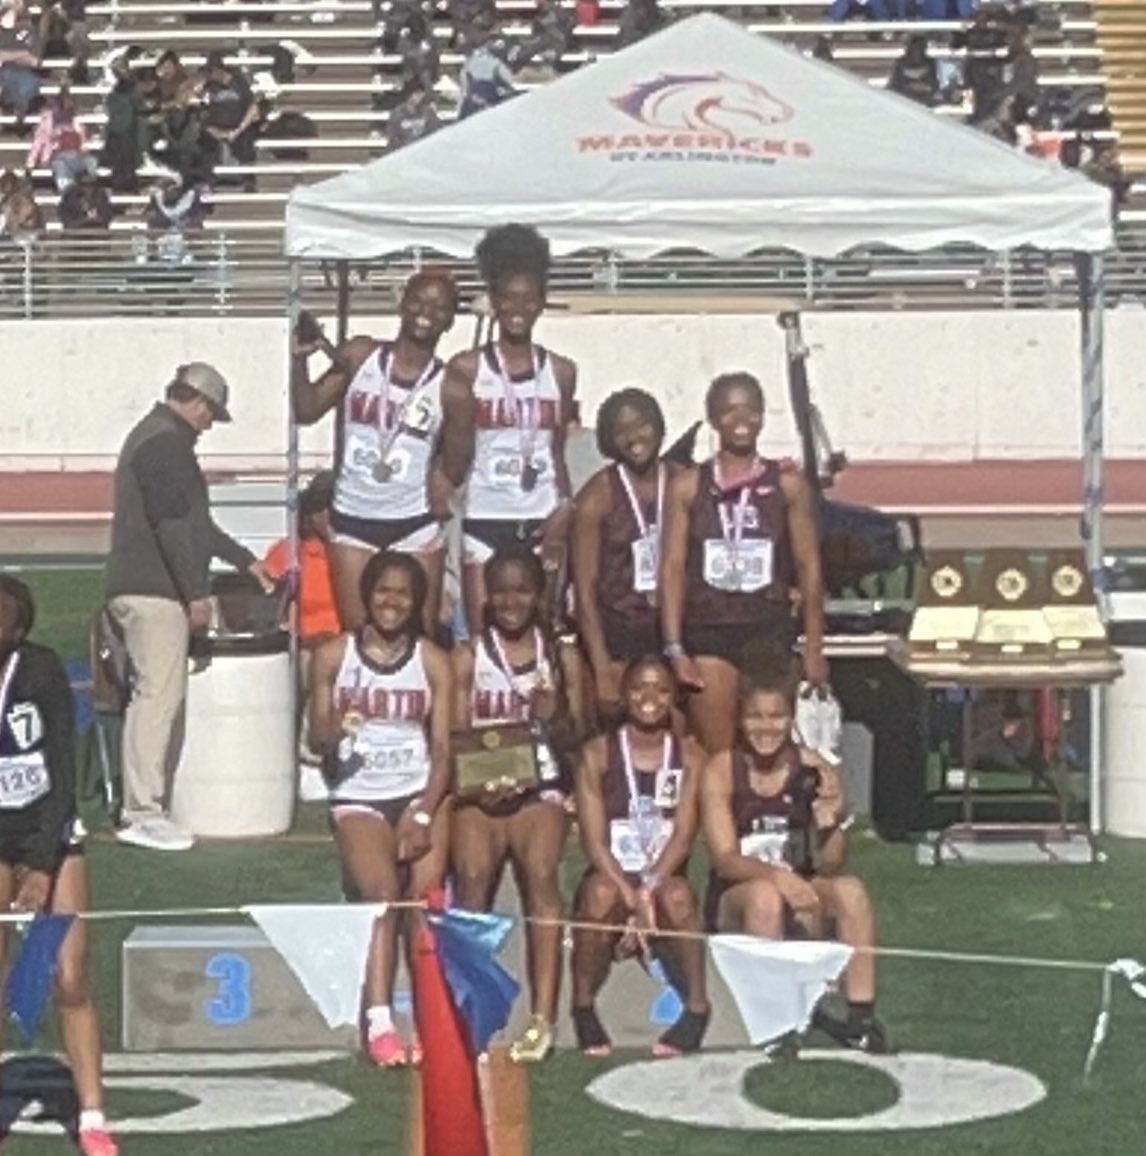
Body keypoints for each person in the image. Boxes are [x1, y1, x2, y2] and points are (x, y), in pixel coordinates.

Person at [105, 362, 273, 852]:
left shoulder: (157, 438)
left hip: (144, 585)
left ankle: (145, 802)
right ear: (200, 404)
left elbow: (196, 525)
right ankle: (141, 810)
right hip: (152, 589)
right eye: (212, 416)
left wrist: (246, 562)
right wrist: (195, 591)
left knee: (156, 694)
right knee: (157, 696)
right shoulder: (166, 445)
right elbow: (175, 526)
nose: (209, 426)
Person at [308, 551, 453, 1067]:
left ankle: (437, 1016)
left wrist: (423, 812)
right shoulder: (333, 656)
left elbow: (443, 751)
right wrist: (337, 723)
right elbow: (316, 737)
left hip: (416, 792)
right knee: (382, 896)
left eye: (403, 594)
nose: (391, 602)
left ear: (416, 603)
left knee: (426, 902)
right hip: (359, 796)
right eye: (382, 591)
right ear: (366, 596)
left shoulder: (432, 660)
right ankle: (380, 1019)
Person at [700, 667, 889, 1053]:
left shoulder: (815, 767)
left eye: (776, 717)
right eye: (755, 716)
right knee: (765, 898)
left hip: (800, 885)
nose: (765, 728)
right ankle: (774, 1022)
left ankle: (860, 1016)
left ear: (791, 720)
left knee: (851, 891)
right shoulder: (722, 769)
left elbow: (831, 864)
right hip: (738, 896)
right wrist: (777, 878)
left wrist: (830, 824)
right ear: (739, 719)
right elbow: (724, 860)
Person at [450, 546, 583, 1062]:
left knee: (542, 875)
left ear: (539, 594)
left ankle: (542, 1018)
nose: (511, 600)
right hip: (478, 790)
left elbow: (580, 735)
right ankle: (471, 1008)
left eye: (522, 590)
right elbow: (454, 732)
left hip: (539, 786)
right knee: (473, 877)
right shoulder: (469, 655)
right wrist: (478, 786)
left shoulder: (561, 655)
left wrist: (554, 716)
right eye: (500, 589)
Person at [0, 575, 118, 1156]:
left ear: (17, 629)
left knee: (69, 979)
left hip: (51, 830)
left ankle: (92, 1115)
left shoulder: (40, 670)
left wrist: (43, 865)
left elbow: (62, 773)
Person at [291, 269, 466, 638]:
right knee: (359, 637)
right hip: (354, 515)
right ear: (402, 304)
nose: (426, 311)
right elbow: (307, 410)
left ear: (450, 320)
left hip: (414, 519)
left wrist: (443, 477)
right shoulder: (360, 355)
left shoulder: (451, 385)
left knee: (421, 636)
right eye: (418, 300)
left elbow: (462, 452)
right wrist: (299, 360)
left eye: (439, 307)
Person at [659, 372, 827, 755]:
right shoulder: (687, 485)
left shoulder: (787, 485)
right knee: (719, 749)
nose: (742, 420)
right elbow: (671, 568)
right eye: (730, 410)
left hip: (768, 628)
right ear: (713, 418)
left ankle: (767, 812)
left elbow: (809, 567)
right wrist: (674, 648)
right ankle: (723, 814)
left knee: (767, 744)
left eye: (752, 410)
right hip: (710, 628)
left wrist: (815, 646)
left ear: (763, 417)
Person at [572, 656, 710, 1058]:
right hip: (613, 869)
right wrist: (629, 897)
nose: (649, 699)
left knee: (679, 898)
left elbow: (684, 836)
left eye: (661, 690)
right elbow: (594, 842)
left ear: (673, 698)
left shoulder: (690, 756)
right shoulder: (598, 753)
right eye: (639, 689)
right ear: (624, 695)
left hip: (663, 872)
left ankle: (698, 1006)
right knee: (600, 896)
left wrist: (648, 890)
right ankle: (583, 1005)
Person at [444, 223, 578, 635]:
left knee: (540, 639)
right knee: (485, 642)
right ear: (494, 301)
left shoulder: (561, 370)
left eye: (529, 298)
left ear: (541, 303)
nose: (518, 308)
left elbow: (555, 451)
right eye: (508, 298)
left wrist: (565, 508)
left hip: (542, 520)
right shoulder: (466, 368)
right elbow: (453, 450)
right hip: (485, 518)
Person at [572, 388, 680, 723]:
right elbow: (584, 590)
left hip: (675, 632)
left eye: (642, 424)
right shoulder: (597, 496)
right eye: (621, 431)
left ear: (659, 426)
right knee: (620, 734)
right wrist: (601, 665)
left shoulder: (686, 481)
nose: (634, 437)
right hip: (619, 633)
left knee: (678, 731)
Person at [261, 470, 339, 802]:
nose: (327, 518)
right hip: (302, 642)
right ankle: (306, 761)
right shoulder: (290, 552)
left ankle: (321, 756)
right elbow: (268, 597)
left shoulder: (349, 553)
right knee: (312, 671)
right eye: (322, 510)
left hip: (342, 643)